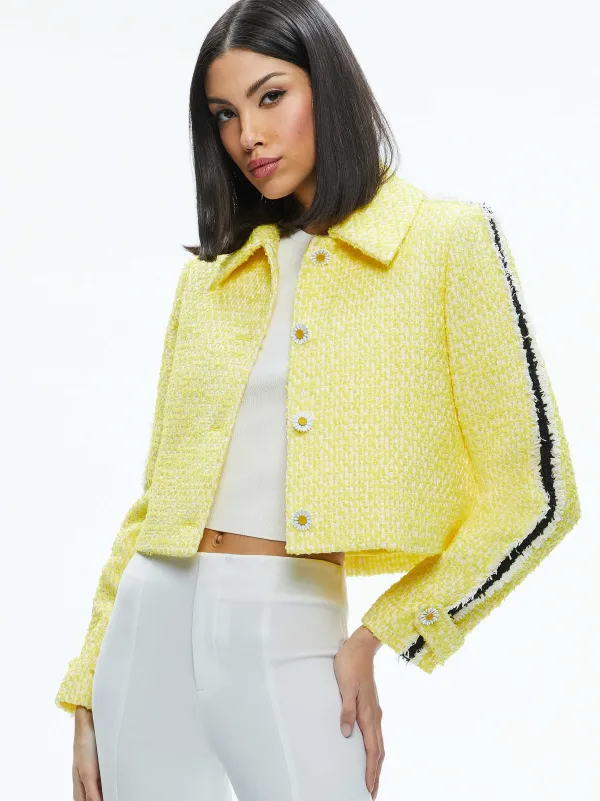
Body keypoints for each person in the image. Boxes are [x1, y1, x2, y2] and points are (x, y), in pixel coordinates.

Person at [55, 1, 581, 800]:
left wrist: (385, 633)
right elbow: (155, 504)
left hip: (289, 627)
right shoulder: (211, 278)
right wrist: (89, 681)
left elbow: (539, 495)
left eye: (271, 97)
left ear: (327, 87)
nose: (248, 136)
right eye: (224, 115)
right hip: (146, 629)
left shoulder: (444, 243)